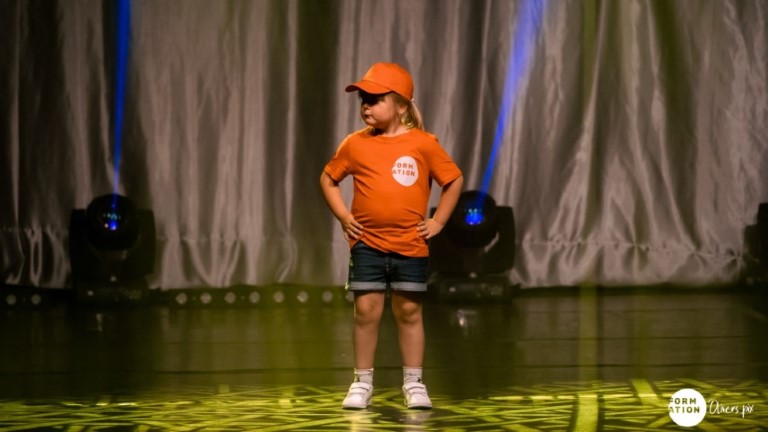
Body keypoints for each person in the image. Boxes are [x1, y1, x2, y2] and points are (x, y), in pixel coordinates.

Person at [320, 62, 464, 410]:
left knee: (409, 312)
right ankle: (361, 382)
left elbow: (453, 179)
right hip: (367, 244)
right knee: (366, 312)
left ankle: (414, 383)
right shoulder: (355, 144)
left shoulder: (423, 144)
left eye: (375, 99)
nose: (366, 106)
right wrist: (344, 217)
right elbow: (328, 178)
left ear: (400, 105)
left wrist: (438, 222)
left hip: (409, 246)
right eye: (363, 100)